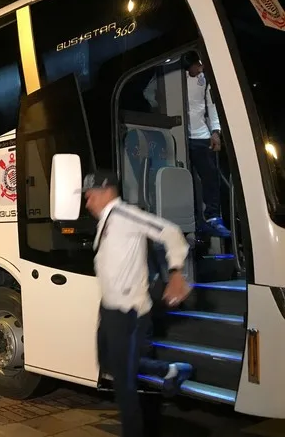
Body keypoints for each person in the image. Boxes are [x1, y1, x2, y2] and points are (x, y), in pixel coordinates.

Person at [83, 171, 193, 437]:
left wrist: (177, 273)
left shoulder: (124, 214)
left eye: (91, 196)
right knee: (107, 363)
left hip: (129, 311)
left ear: (108, 191)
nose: (87, 203)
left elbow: (170, 232)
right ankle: (170, 370)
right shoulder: (106, 221)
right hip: (109, 308)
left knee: (124, 383)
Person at [143, 51, 230, 237]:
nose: (201, 68)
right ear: (188, 63)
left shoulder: (204, 78)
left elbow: (211, 105)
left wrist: (216, 131)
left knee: (210, 177)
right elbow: (149, 92)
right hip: (178, 134)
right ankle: (188, 222)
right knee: (184, 178)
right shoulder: (170, 72)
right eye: (198, 65)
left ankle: (212, 217)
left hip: (201, 135)